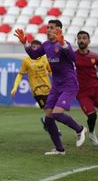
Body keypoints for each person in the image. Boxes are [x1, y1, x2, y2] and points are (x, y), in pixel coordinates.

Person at [15, 19, 87, 155]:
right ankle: (60, 149)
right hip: (56, 84)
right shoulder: (46, 45)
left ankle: (80, 129)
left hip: (68, 84)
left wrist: (63, 44)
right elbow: (34, 55)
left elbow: (73, 58)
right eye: (47, 27)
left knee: (57, 113)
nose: (47, 30)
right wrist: (25, 43)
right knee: (48, 118)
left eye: (51, 27)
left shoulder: (64, 44)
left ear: (58, 30)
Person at [10, 40, 52, 131]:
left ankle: (46, 121)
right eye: (33, 47)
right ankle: (53, 128)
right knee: (48, 109)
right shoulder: (26, 61)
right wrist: (15, 87)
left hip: (49, 88)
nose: (35, 49)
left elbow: (51, 71)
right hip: (37, 91)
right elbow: (20, 74)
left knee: (53, 110)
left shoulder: (45, 59)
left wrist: (59, 81)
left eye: (37, 47)